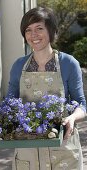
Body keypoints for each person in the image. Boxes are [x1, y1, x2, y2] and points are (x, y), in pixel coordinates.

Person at [7, 7, 86, 170]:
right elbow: (10, 102)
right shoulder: (18, 66)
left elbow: (81, 104)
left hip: (63, 148)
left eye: (39, 28)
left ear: (51, 31)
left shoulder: (69, 63)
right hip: (27, 152)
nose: (33, 35)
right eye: (28, 30)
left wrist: (71, 118)